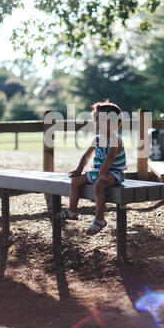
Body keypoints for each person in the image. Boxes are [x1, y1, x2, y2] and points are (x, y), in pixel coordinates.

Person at [56, 99, 127, 235]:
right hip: (99, 171)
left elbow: (110, 158)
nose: (98, 123)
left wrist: (102, 172)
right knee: (75, 182)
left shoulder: (115, 139)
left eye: (102, 120)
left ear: (115, 124)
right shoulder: (98, 139)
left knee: (99, 185)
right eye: (97, 119)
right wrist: (79, 169)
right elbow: (87, 155)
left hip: (114, 173)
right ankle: (72, 210)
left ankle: (100, 219)